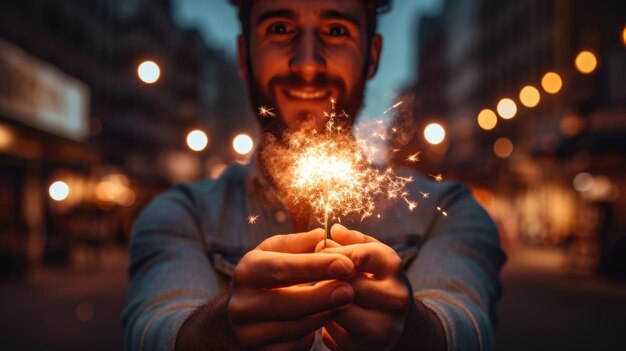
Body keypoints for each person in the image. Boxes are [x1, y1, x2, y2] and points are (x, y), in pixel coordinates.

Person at [122, 0, 506, 350]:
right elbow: (155, 330)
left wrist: (414, 329)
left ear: (372, 57)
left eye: (336, 31)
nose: (307, 64)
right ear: (244, 56)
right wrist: (220, 331)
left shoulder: (449, 210)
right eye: (279, 29)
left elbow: (465, 325)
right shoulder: (179, 214)